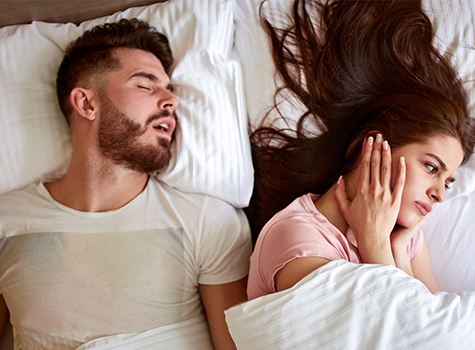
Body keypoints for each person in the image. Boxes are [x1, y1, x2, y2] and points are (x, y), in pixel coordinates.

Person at [0, 19, 251, 349]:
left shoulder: (207, 221)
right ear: (87, 103)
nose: (171, 102)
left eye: (170, 90)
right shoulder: (8, 222)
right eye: (146, 86)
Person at [246, 0, 475, 300]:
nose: (440, 195)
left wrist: (394, 249)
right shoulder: (299, 241)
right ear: (373, 146)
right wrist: (375, 245)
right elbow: (400, 336)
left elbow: (436, 334)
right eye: (431, 167)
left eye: (447, 182)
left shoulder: (403, 237)